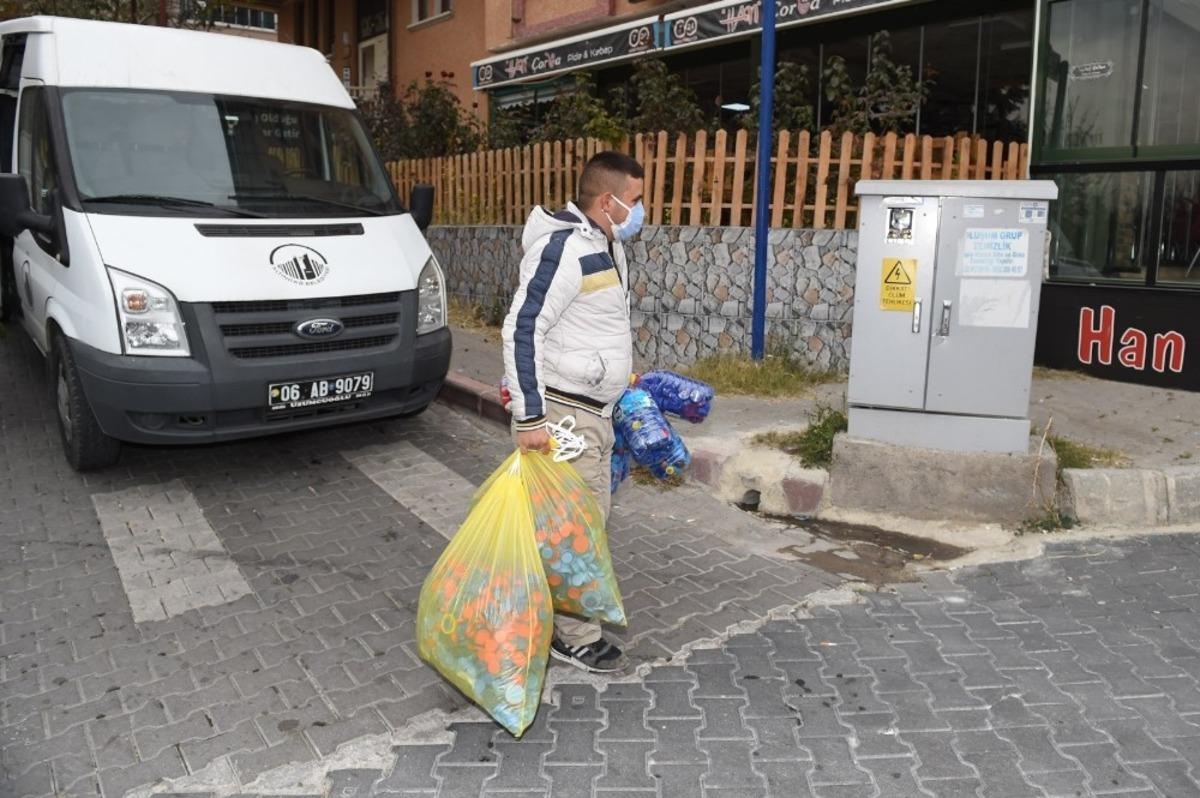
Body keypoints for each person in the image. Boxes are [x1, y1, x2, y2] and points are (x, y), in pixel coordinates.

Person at [501, 150, 645, 674]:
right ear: (607, 201)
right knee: (576, 531)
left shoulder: (606, 245)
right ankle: (574, 638)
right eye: (635, 200)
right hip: (565, 417)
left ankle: (558, 620)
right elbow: (522, 329)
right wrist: (530, 416)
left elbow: (592, 324)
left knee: (584, 526)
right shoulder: (563, 250)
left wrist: (619, 378)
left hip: (596, 412)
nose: (641, 210)